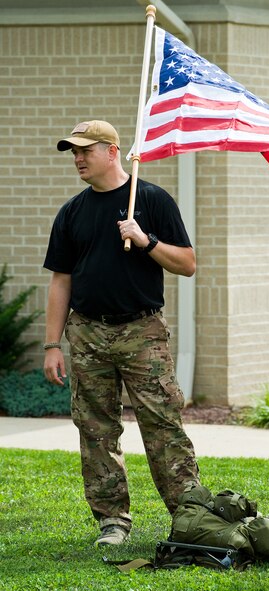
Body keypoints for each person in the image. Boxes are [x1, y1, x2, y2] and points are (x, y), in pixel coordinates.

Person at [43, 120, 200, 547]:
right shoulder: (72, 211)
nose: (77, 159)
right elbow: (61, 281)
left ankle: (189, 517)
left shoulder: (150, 200)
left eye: (84, 151)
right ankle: (112, 522)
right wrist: (53, 344)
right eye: (73, 153)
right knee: (95, 430)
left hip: (141, 332)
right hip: (87, 334)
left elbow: (187, 264)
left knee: (163, 425)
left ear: (112, 152)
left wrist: (145, 240)